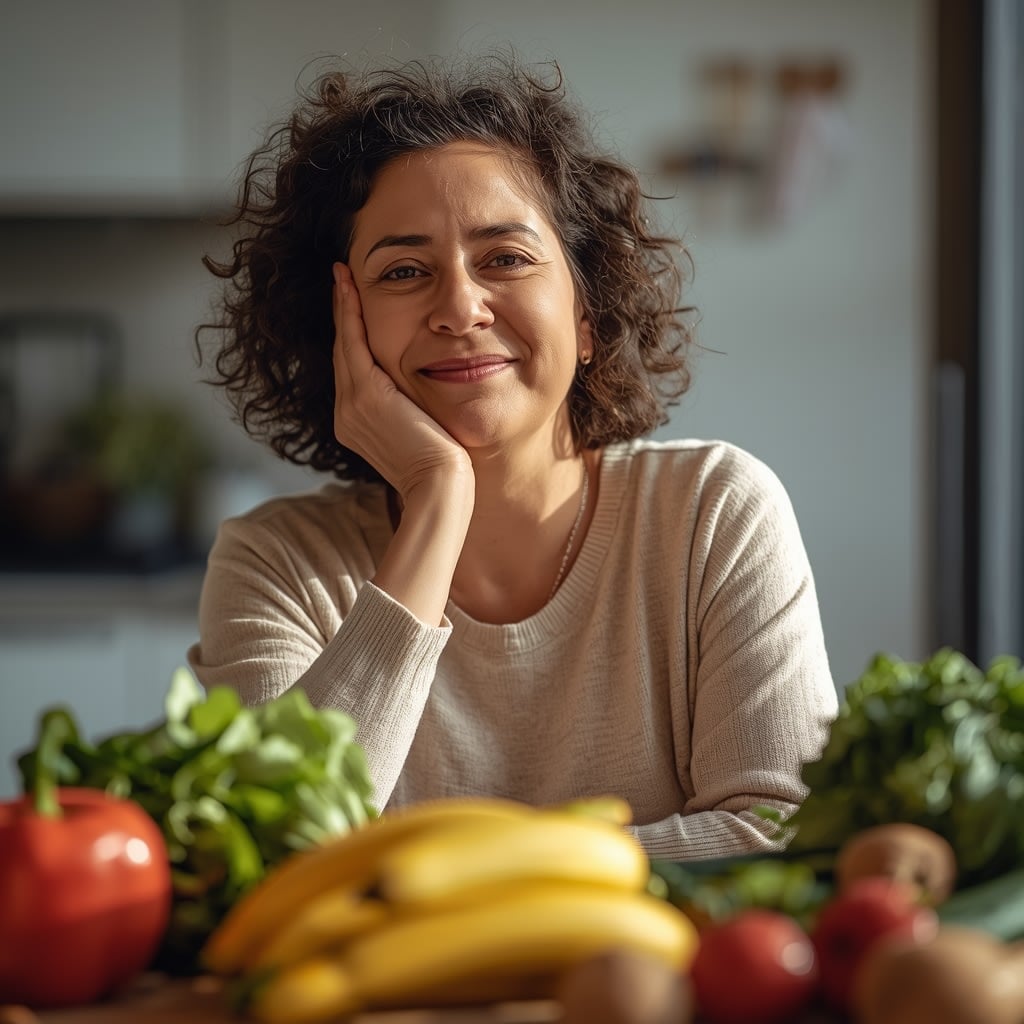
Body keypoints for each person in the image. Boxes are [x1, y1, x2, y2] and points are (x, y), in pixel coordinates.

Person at [189, 52, 838, 862]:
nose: (460, 308)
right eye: (403, 271)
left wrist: (477, 876)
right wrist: (436, 495)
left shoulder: (714, 511)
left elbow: (781, 833)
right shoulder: (274, 564)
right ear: (339, 333)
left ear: (588, 314)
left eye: (505, 258)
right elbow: (270, 858)